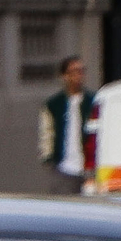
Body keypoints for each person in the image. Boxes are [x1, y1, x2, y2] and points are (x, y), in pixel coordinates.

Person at [40, 55, 93, 195]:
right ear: (64, 76)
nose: (78, 75)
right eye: (74, 71)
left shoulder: (93, 101)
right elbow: (47, 131)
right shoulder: (53, 104)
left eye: (81, 71)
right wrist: (48, 157)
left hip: (88, 169)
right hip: (63, 168)